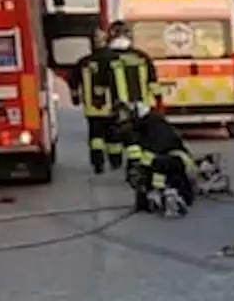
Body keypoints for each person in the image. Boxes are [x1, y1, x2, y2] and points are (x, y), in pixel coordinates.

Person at [111, 101, 200, 218]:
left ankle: (171, 195)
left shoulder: (153, 126)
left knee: (157, 167)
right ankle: (161, 194)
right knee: (154, 167)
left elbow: (152, 154)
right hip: (171, 161)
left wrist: (139, 174)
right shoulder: (147, 124)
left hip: (178, 162)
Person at [105, 20, 160, 171]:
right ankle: (136, 164)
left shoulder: (106, 57)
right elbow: (153, 81)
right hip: (141, 104)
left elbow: (99, 84)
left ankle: (117, 162)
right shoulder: (142, 56)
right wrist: (158, 101)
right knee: (137, 135)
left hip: (118, 105)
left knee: (118, 134)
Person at [68, 27, 115, 174]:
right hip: (113, 105)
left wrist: (75, 98)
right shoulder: (114, 59)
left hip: (92, 107)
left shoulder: (83, 62)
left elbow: (73, 82)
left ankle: (98, 164)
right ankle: (116, 161)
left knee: (96, 136)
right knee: (113, 135)